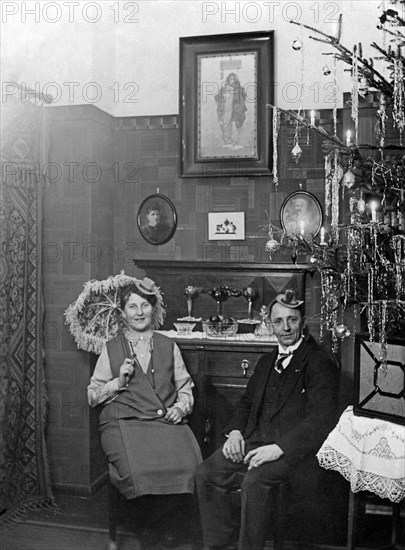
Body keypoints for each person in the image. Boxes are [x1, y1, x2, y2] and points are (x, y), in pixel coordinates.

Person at [196, 289, 338, 550]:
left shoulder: (318, 362)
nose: (286, 328)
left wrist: (279, 448)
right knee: (206, 472)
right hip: (254, 441)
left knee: (254, 480)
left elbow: (320, 420)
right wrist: (236, 432)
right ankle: (218, 544)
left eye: (292, 320)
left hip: (293, 453)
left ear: (303, 323)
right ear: (270, 325)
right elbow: (246, 403)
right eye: (279, 321)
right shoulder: (266, 361)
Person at [88, 277, 202, 546]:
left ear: (154, 308)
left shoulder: (168, 345)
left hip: (162, 421)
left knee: (189, 466)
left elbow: (185, 388)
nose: (139, 313)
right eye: (132, 307)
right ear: (123, 312)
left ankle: (165, 529)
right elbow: (93, 396)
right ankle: (148, 534)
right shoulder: (111, 348)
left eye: (144, 305)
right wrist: (119, 381)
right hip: (122, 422)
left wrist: (179, 407)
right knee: (138, 471)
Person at [215, 72, 247, 150]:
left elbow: (244, 96)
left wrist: (237, 96)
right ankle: (228, 143)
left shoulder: (239, 88)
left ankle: (235, 143)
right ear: (228, 80)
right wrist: (223, 96)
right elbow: (217, 97)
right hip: (226, 110)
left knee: (235, 126)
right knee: (226, 125)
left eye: (234, 79)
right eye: (231, 79)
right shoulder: (223, 88)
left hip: (236, 110)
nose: (232, 80)